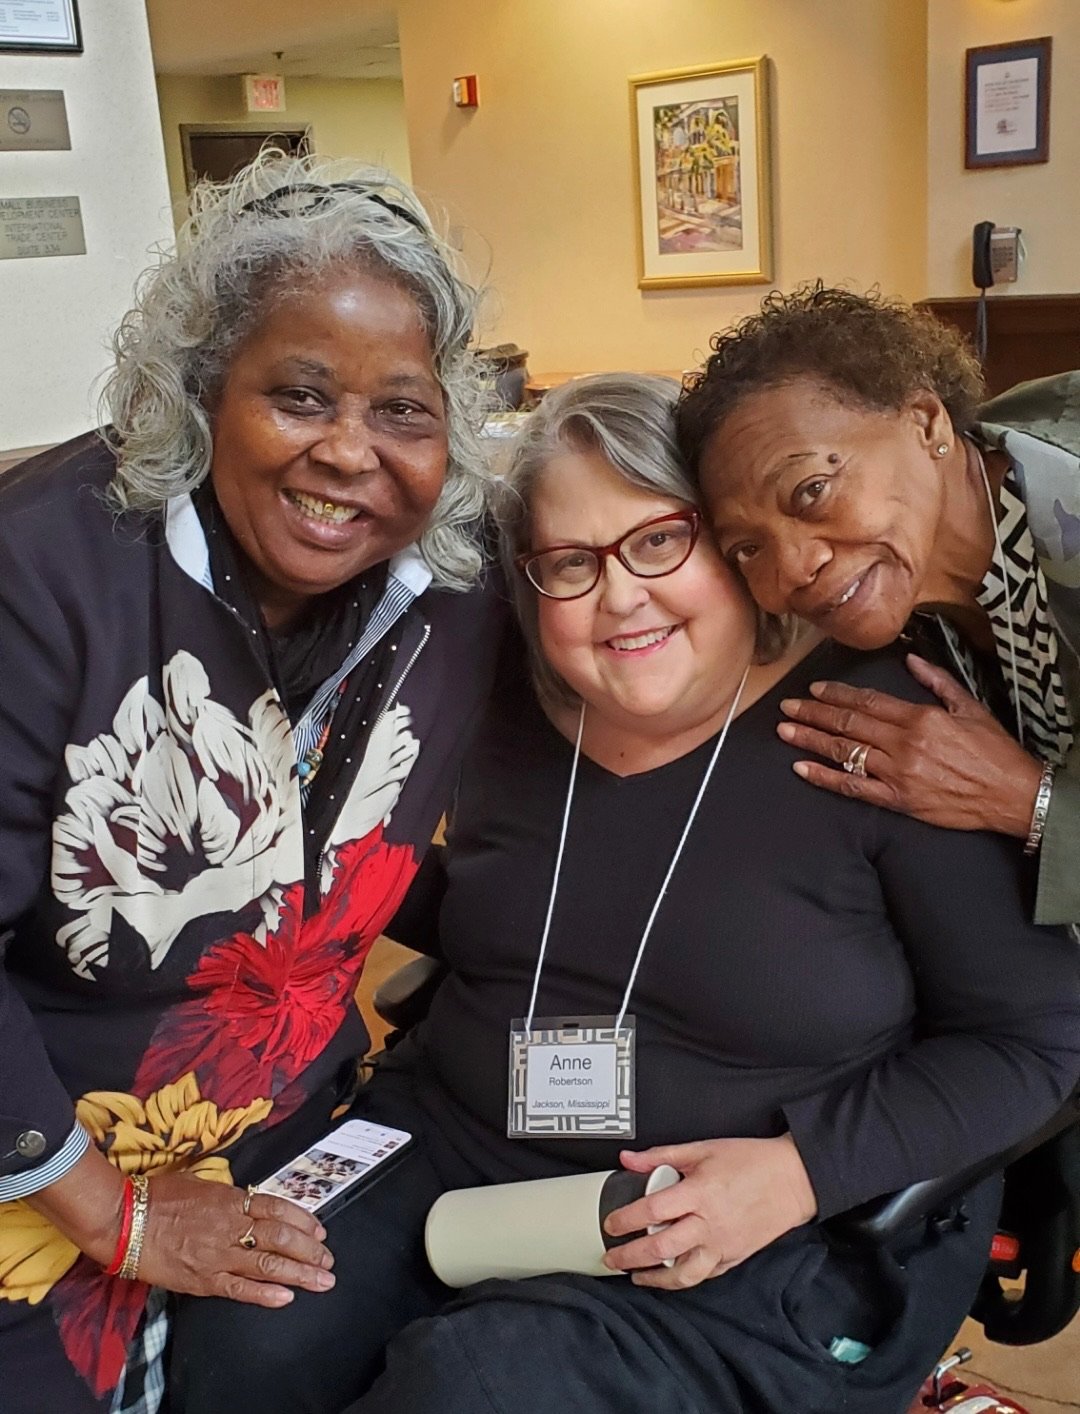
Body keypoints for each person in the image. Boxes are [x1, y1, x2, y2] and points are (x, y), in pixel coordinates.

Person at [170, 374, 1080, 1414]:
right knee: (245, 1328)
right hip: (458, 1137)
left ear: (734, 549)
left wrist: (798, 1172)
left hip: (750, 1220)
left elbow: (1036, 1039)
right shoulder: (499, 711)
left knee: (476, 1391)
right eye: (570, 561)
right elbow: (473, 906)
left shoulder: (878, 731)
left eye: (660, 541)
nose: (620, 595)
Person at [0, 152, 506, 1413]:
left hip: (296, 1126)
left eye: (403, 410)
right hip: (38, 1150)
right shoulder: (41, 573)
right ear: (200, 391)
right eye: (299, 395)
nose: (349, 452)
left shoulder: (462, 586)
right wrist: (109, 1212)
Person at [676, 283, 1080, 924]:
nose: (793, 570)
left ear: (926, 422)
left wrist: (1030, 804)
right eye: (748, 549)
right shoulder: (908, 603)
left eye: (811, 490)